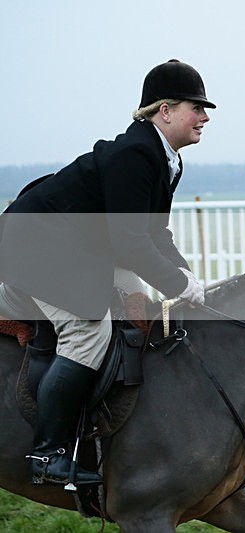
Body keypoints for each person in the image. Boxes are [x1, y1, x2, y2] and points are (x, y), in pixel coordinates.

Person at [0, 59, 213, 486]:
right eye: (197, 108)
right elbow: (131, 242)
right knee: (89, 330)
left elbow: (155, 233)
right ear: (165, 110)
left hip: (81, 248)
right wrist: (176, 283)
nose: (205, 118)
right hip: (38, 247)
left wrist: (188, 280)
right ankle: (49, 453)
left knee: (136, 306)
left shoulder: (165, 157)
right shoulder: (136, 152)